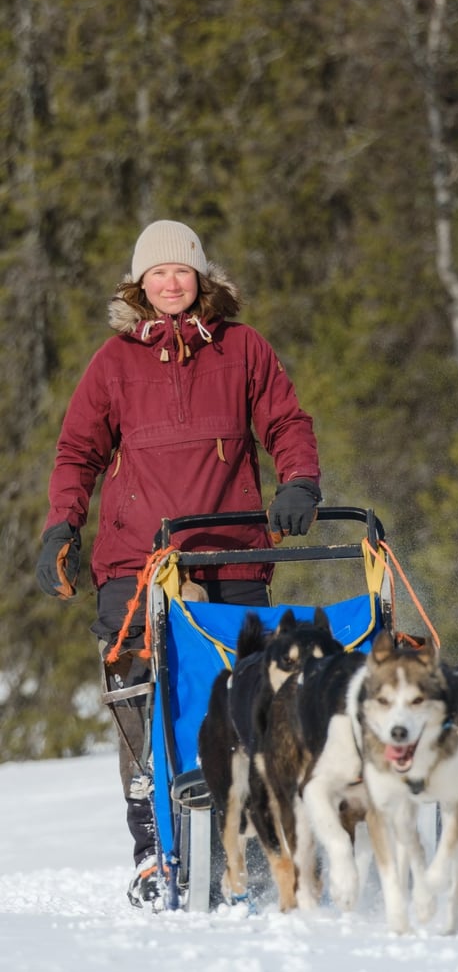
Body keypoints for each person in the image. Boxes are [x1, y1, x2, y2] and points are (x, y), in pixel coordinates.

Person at [35, 220, 321, 908]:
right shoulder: (113, 363)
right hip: (139, 558)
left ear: (202, 279)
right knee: (138, 699)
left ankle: (253, 850)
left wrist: (300, 482)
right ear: (139, 285)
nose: (171, 282)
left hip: (231, 551)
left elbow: (286, 422)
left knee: (247, 697)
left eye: (182, 271)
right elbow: (78, 451)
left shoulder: (242, 348)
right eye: (157, 273)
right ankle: (153, 854)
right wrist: (60, 526)